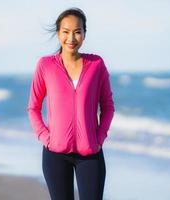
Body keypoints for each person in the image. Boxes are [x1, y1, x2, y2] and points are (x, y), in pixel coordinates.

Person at [27, 7, 115, 200]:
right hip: (55, 155)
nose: (71, 38)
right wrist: (45, 137)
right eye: (66, 32)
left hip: (90, 155)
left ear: (84, 34)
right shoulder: (45, 66)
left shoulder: (96, 65)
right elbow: (33, 107)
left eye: (77, 31)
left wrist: (99, 138)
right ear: (58, 34)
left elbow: (108, 107)